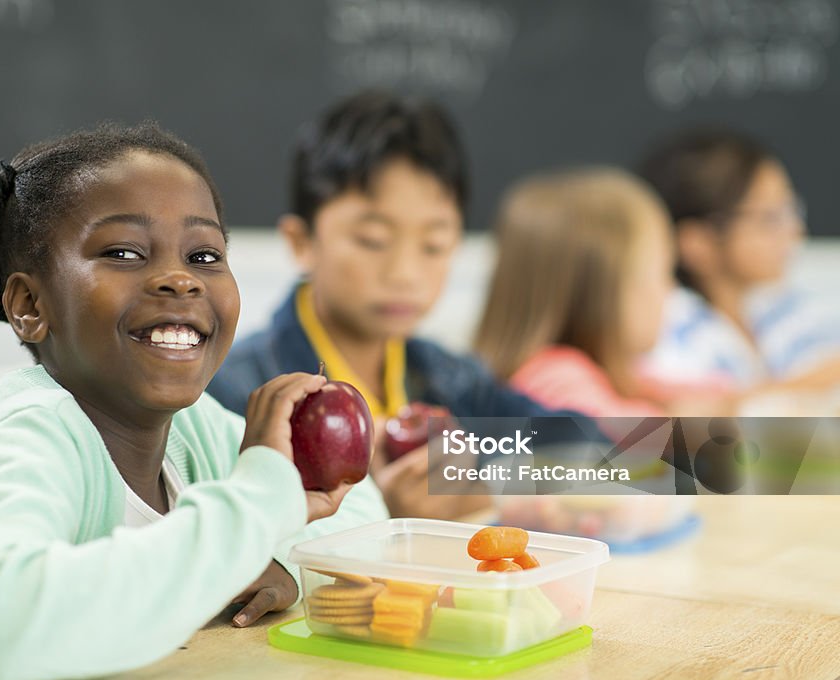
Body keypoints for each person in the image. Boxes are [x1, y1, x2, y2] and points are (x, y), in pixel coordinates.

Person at [0, 123, 388, 680]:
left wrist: (285, 561)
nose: (178, 279)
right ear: (29, 305)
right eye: (123, 252)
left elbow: (363, 515)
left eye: (204, 254)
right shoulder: (38, 428)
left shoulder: (196, 428)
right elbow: (1, 629)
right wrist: (259, 499)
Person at [206, 91, 591, 519]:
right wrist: (374, 513)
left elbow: (655, 461)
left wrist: (485, 486)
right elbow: (211, 545)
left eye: (434, 244)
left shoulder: (450, 381)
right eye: (373, 240)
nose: (405, 273)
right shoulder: (236, 394)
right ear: (301, 242)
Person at [472, 167, 729, 418]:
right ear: (608, 292)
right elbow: (631, 444)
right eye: (663, 273)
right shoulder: (554, 376)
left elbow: (700, 394)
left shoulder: (610, 375)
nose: (670, 290)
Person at [637, 128, 840, 397]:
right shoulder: (668, 332)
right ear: (697, 243)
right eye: (770, 218)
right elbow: (695, 421)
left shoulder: (780, 310)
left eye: (791, 209)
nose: (795, 231)